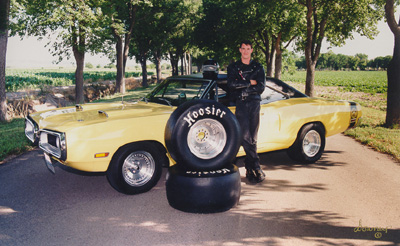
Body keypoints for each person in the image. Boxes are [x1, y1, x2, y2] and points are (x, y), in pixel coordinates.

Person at [227, 40, 266, 183]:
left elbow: (261, 87)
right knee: (245, 135)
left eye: (248, 49)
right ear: (239, 50)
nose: (245, 51)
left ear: (251, 50)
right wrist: (250, 82)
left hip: (255, 103)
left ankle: (250, 169)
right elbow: (231, 84)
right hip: (241, 103)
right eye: (243, 48)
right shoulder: (233, 67)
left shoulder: (258, 67)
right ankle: (256, 166)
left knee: (253, 137)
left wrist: (243, 87)